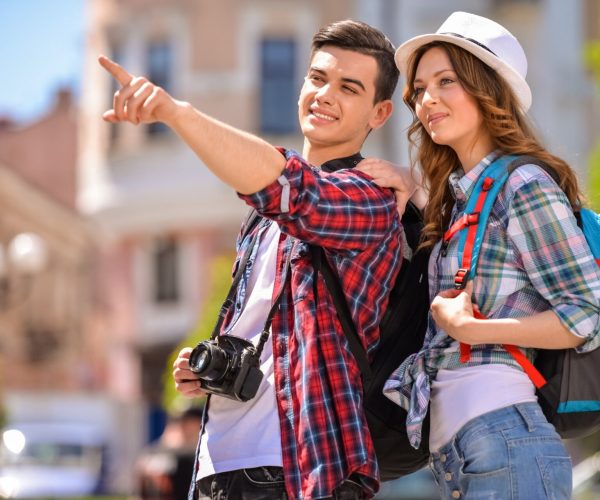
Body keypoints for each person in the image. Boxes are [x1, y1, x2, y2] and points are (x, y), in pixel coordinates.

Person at [100, 20, 417, 499]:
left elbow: (292, 187)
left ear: (379, 113)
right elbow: (268, 331)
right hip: (217, 465)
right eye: (317, 78)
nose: (325, 95)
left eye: (349, 88)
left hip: (298, 468)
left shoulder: (371, 198)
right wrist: (209, 366)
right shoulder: (260, 221)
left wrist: (176, 112)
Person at [368, 11, 600, 499]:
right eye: (420, 89)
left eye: (446, 81)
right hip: (466, 453)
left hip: (507, 441)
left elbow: (586, 313)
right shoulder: (465, 199)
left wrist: (472, 330)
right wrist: (414, 191)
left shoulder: (525, 184)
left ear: (487, 89)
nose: (427, 99)